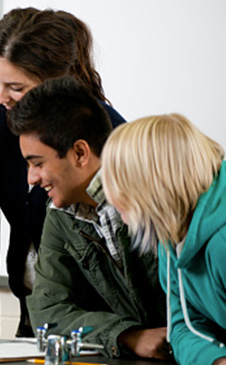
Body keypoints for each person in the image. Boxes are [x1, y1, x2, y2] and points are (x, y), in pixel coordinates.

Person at [0, 7, 127, 337]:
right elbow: (23, 215)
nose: (2, 98)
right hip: (39, 307)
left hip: (99, 321)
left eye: (15, 87)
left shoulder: (112, 138)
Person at [9, 76, 168, 360]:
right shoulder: (60, 215)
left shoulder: (158, 195)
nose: (31, 178)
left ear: (80, 153)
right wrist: (127, 336)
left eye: (38, 163)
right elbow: (47, 312)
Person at [101, 114, 226, 365]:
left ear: (153, 182)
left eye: (119, 181)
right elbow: (183, 327)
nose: (110, 196)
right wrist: (215, 360)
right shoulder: (171, 235)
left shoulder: (221, 241)